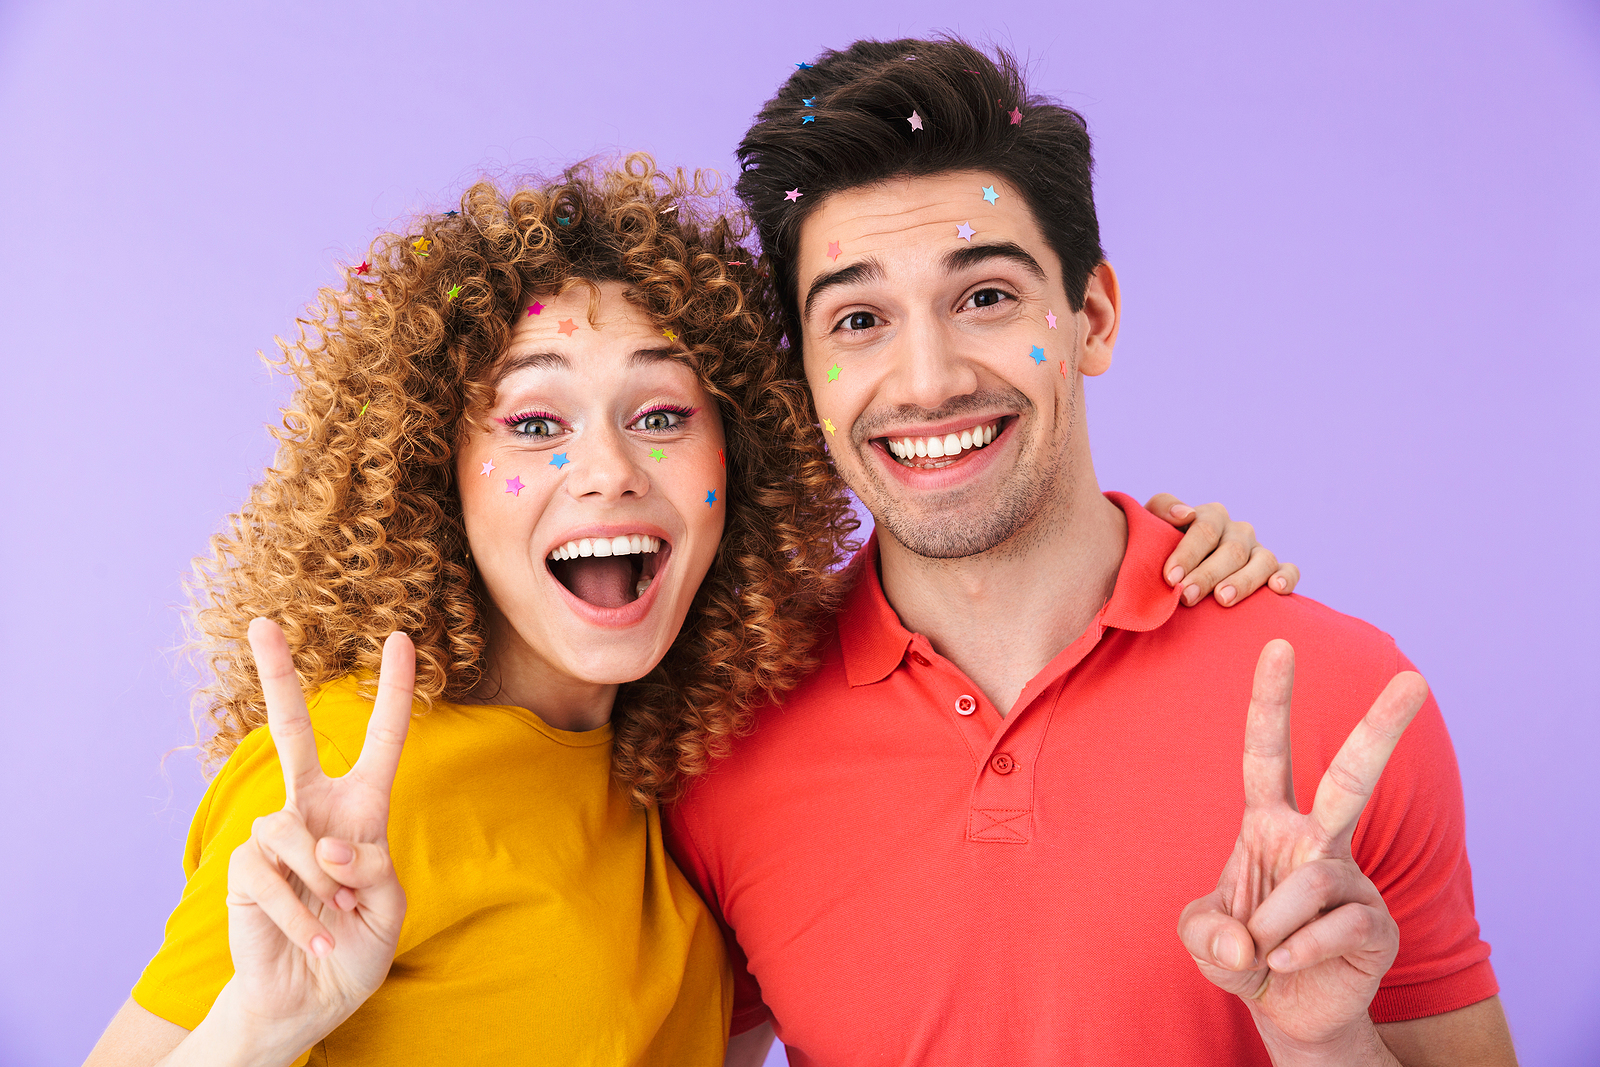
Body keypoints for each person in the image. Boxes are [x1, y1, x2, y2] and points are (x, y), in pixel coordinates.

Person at [83, 157, 1284, 1066]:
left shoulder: (699, 767)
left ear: (740, 458)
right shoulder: (356, 769)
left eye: (660, 415)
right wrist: (254, 1026)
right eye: (535, 424)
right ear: (429, 478)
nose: (607, 470)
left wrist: (1159, 550)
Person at [665, 37, 1519, 1067]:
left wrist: (1328, 1044)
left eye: (984, 297)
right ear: (805, 377)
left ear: (1093, 318)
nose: (927, 380)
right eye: (858, 318)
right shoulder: (723, 741)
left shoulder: (1342, 703)